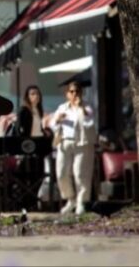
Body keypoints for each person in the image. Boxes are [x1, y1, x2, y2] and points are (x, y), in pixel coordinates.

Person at [52, 82, 97, 215]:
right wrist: (58, 120)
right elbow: (52, 125)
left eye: (77, 91)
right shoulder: (62, 108)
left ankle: (81, 202)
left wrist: (81, 110)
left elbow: (90, 123)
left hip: (82, 143)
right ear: (67, 94)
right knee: (61, 172)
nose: (74, 94)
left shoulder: (87, 107)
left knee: (80, 173)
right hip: (65, 143)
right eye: (71, 91)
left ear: (81, 93)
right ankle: (70, 198)